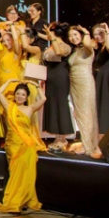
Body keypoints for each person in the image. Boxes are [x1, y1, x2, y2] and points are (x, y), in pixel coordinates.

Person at [0, 80, 47, 213]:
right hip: (12, 145)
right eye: (18, 94)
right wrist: (10, 81)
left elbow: (43, 99)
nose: (20, 96)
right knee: (15, 174)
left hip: (26, 144)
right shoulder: (9, 106)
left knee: (26, 173)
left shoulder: (30, 109)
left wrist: (36, 85)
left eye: (23, 95)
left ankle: (22, 200)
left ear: (26, 97)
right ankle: (15, 201)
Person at [67, 26, 102, 158]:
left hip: (85, 82)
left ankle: (89, 147)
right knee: (79, 114)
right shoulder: (75, 50)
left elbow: (87, 44)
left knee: (87, 113)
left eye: (76, 34)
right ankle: (87, 142)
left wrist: (86, 32)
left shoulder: (88, 48)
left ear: (81, 35)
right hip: (74, 84)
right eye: (71, 36)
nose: (73, 38)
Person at [42, 23, 74, 152]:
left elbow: (59, 52)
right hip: (50, 77)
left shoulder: (65, 46)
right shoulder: (50, 45)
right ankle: (57, 136)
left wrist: (53, 38)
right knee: (52, 105)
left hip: (60, 77)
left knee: (60, 104)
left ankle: (63, 137)